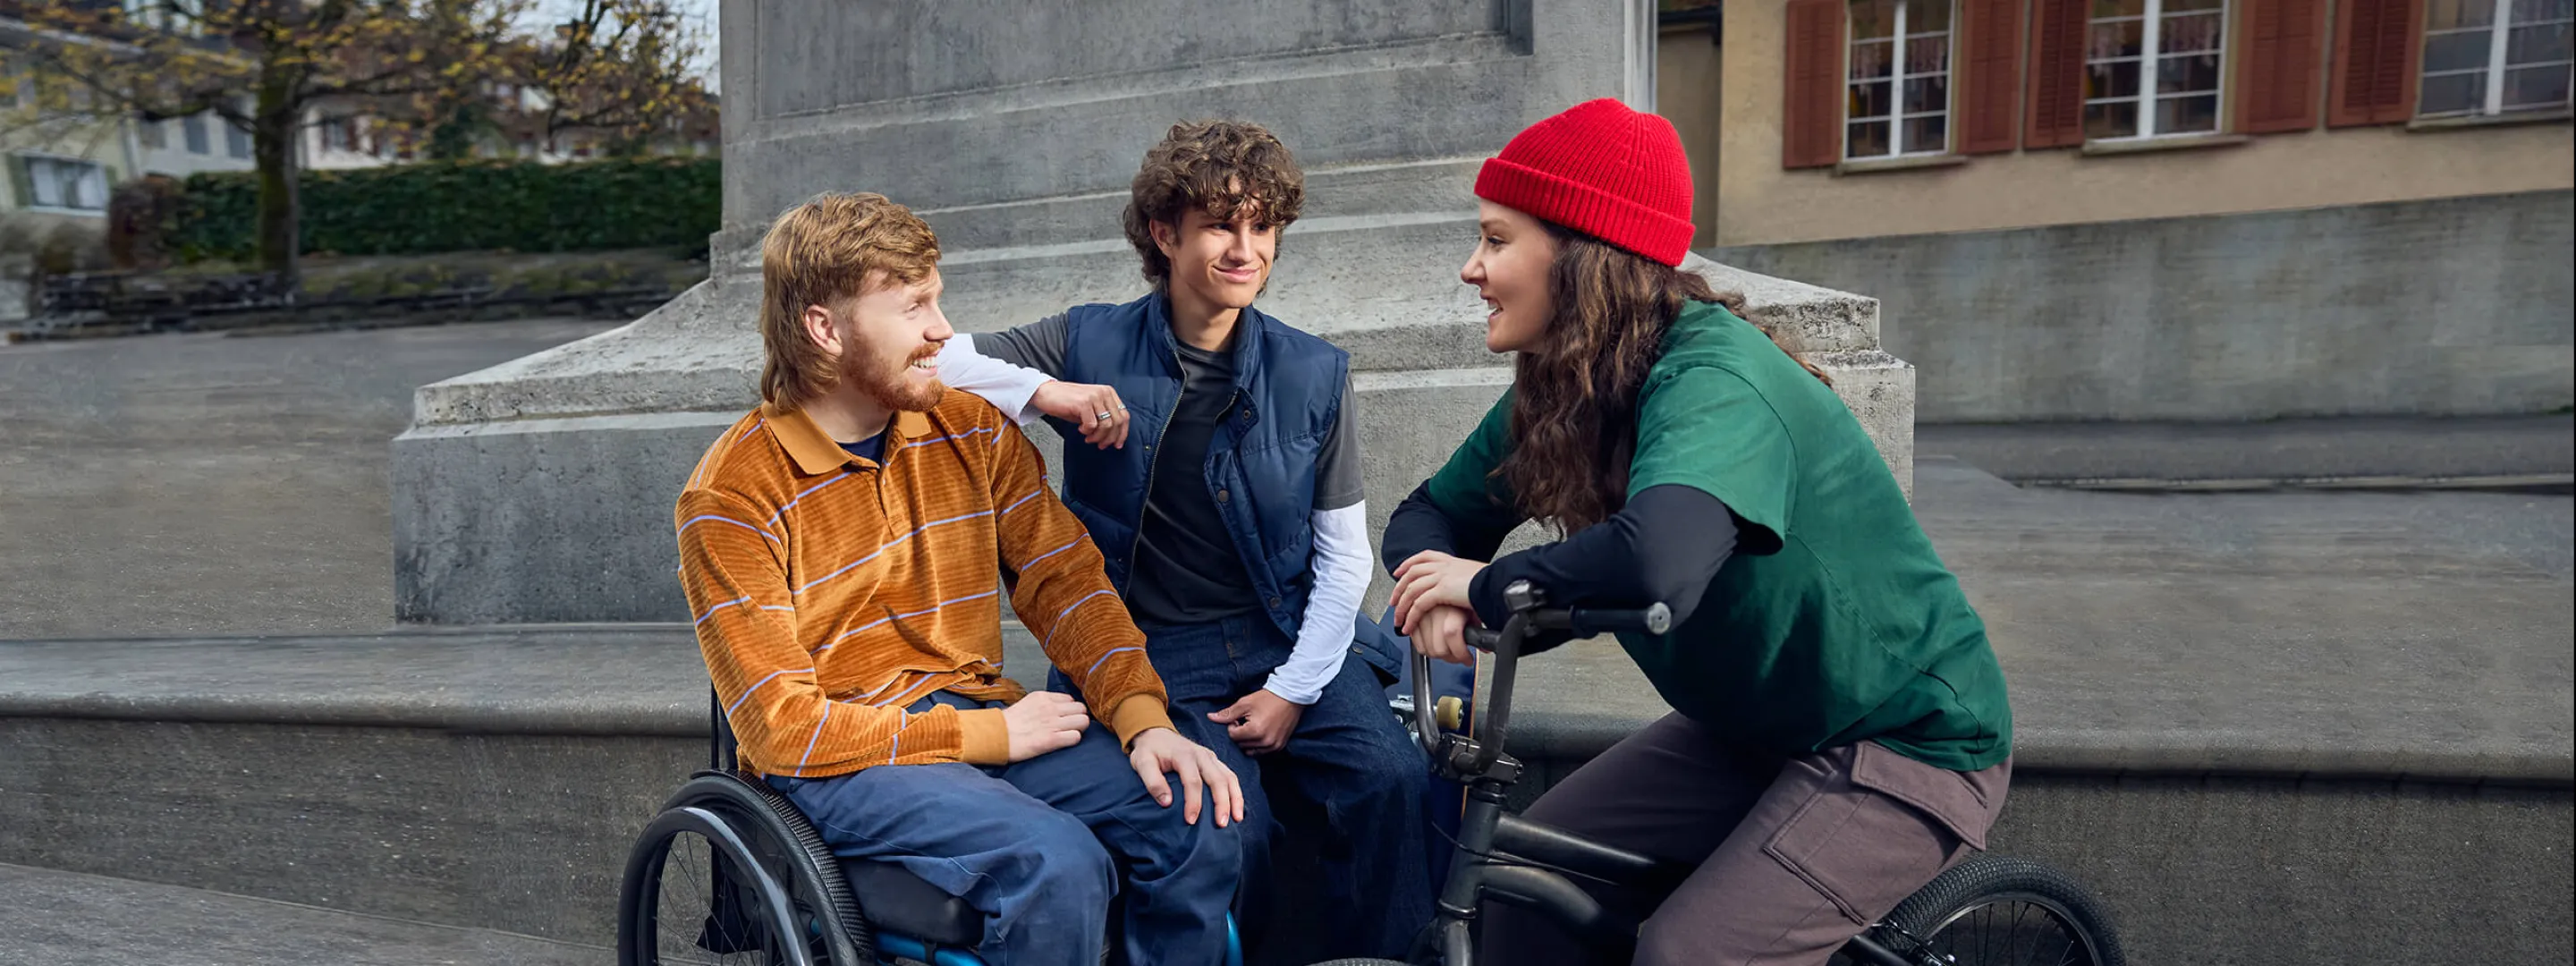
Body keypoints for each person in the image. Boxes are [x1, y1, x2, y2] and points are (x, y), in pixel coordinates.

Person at [1381, 98, 2015, 966]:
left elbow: (1659, 559)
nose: (1470, 268)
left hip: (1904, 740)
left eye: (1496, 240)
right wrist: (1436, 583)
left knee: (1689, 955)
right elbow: (1435, 512)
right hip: (1750, 728)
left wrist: (1481, 586)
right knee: (1520, 880)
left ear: (1581, 257)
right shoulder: (1570, 387)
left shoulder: (1714, 379)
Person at [674, 191, 1245, 966]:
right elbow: (782, 729)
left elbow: (1067, 584)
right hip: (844, 757)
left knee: (1193, 817)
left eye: (937, 301)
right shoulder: (733, 492)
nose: (943, 330)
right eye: (913, 308)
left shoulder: (970, 428)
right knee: (1056, 864)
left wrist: (1143, 719)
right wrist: (985, 734)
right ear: (824, 329)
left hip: (973, 717)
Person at [935, 119, 1433, 957]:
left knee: (1394, 779)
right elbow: (932, 360)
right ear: (1165, 235)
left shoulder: (1315, 372)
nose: (1247, 249)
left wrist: (1294, 690)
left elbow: (1344, 556)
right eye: (1221, 224)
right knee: (1234, 817)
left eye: (1262, 225)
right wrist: (1048, 392)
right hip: (1148, 649)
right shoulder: (1089, 338)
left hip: (1287, 635)